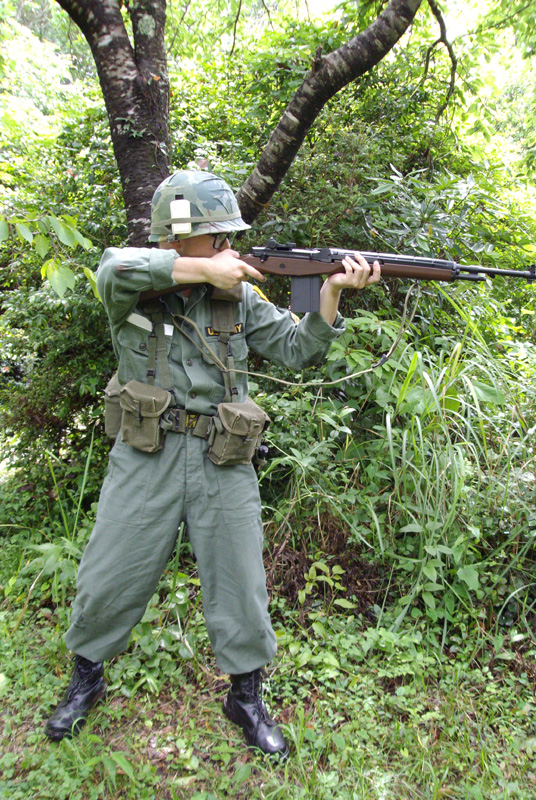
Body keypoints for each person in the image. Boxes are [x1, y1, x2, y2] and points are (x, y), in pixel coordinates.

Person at [44, 170, 380, 757]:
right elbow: (111, 268)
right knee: (108, 577)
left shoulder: (240, 297)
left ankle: (245, 696)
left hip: (221, 459)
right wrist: (202, 269)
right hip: (145, 455)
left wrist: (329, 295)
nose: (228, 247)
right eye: (216, 237)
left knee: (241, 584)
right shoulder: (133, 280)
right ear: (177, 238)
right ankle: (86, 680)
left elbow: (297, 349)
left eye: (230, 237)